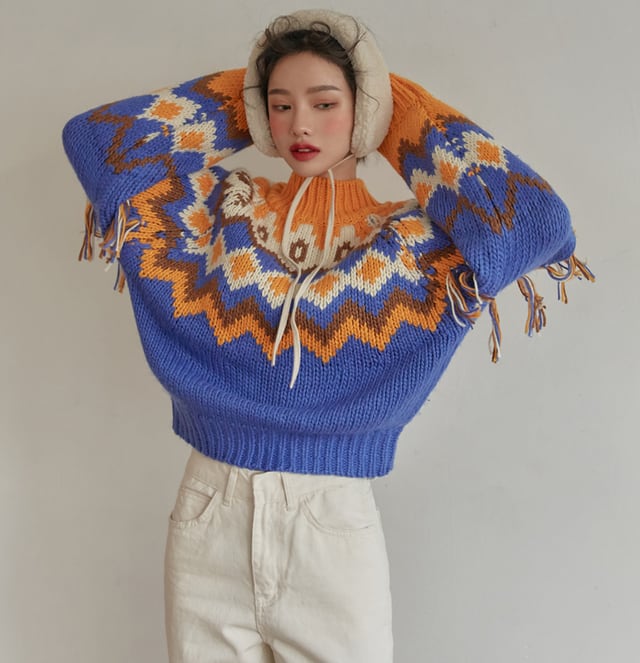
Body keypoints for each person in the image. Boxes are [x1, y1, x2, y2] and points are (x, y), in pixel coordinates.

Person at [62, 8, 593, 663]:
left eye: (325, 103)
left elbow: (535, 222)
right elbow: (97, 144)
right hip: (209, 510)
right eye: (280, 106)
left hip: (330, 525)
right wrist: (247, 95)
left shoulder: (409, 243)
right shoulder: (220, 212)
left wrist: (396, 110)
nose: (301, 126)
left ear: (363, 110)